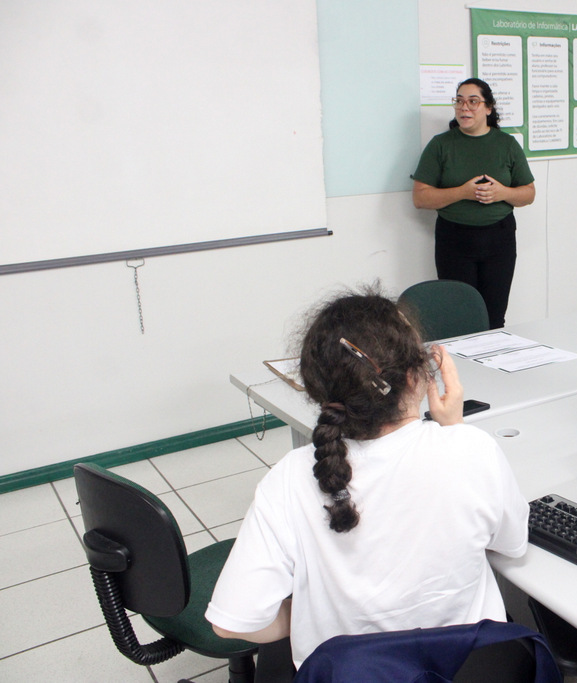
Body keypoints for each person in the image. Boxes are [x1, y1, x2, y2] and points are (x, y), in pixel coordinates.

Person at [205, 286, 530, 668]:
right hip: (462, 670)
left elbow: (231, 623)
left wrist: (312, 614)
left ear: (317, 391)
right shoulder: (473, 450)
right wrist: (454, 432)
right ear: (415, 378)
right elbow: (513, 544)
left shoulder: (289, 479)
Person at [412, 78, 536, 329]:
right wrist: (462, 192)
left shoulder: (507, 144)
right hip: (454, 240)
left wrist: (502, 193)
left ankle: (492, 355)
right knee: (459, 318)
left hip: (499, 239)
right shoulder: (441, 145)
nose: (464, 107)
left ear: (488, 108)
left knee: (494, 317)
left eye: (472, 101)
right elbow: (420, 197)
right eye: (459, 101)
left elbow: (529, 193)